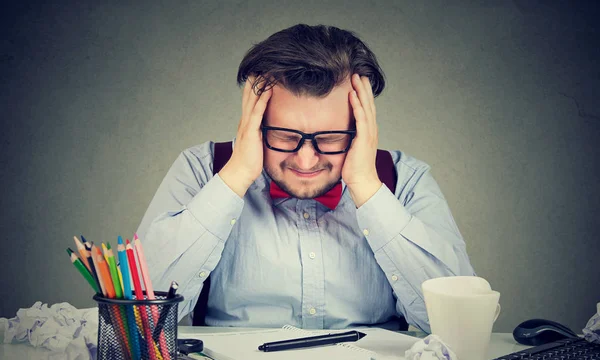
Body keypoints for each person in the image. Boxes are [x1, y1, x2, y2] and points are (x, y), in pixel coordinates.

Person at [136, 24, 475, 333]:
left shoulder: (407, 181)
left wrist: (369, 190)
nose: (306, 159)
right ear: (255, 122)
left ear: (360, 129)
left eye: (329, 138)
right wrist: (235, 177)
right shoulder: (200, 170)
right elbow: (138, 320)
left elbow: (459, 325)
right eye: (284, 135)